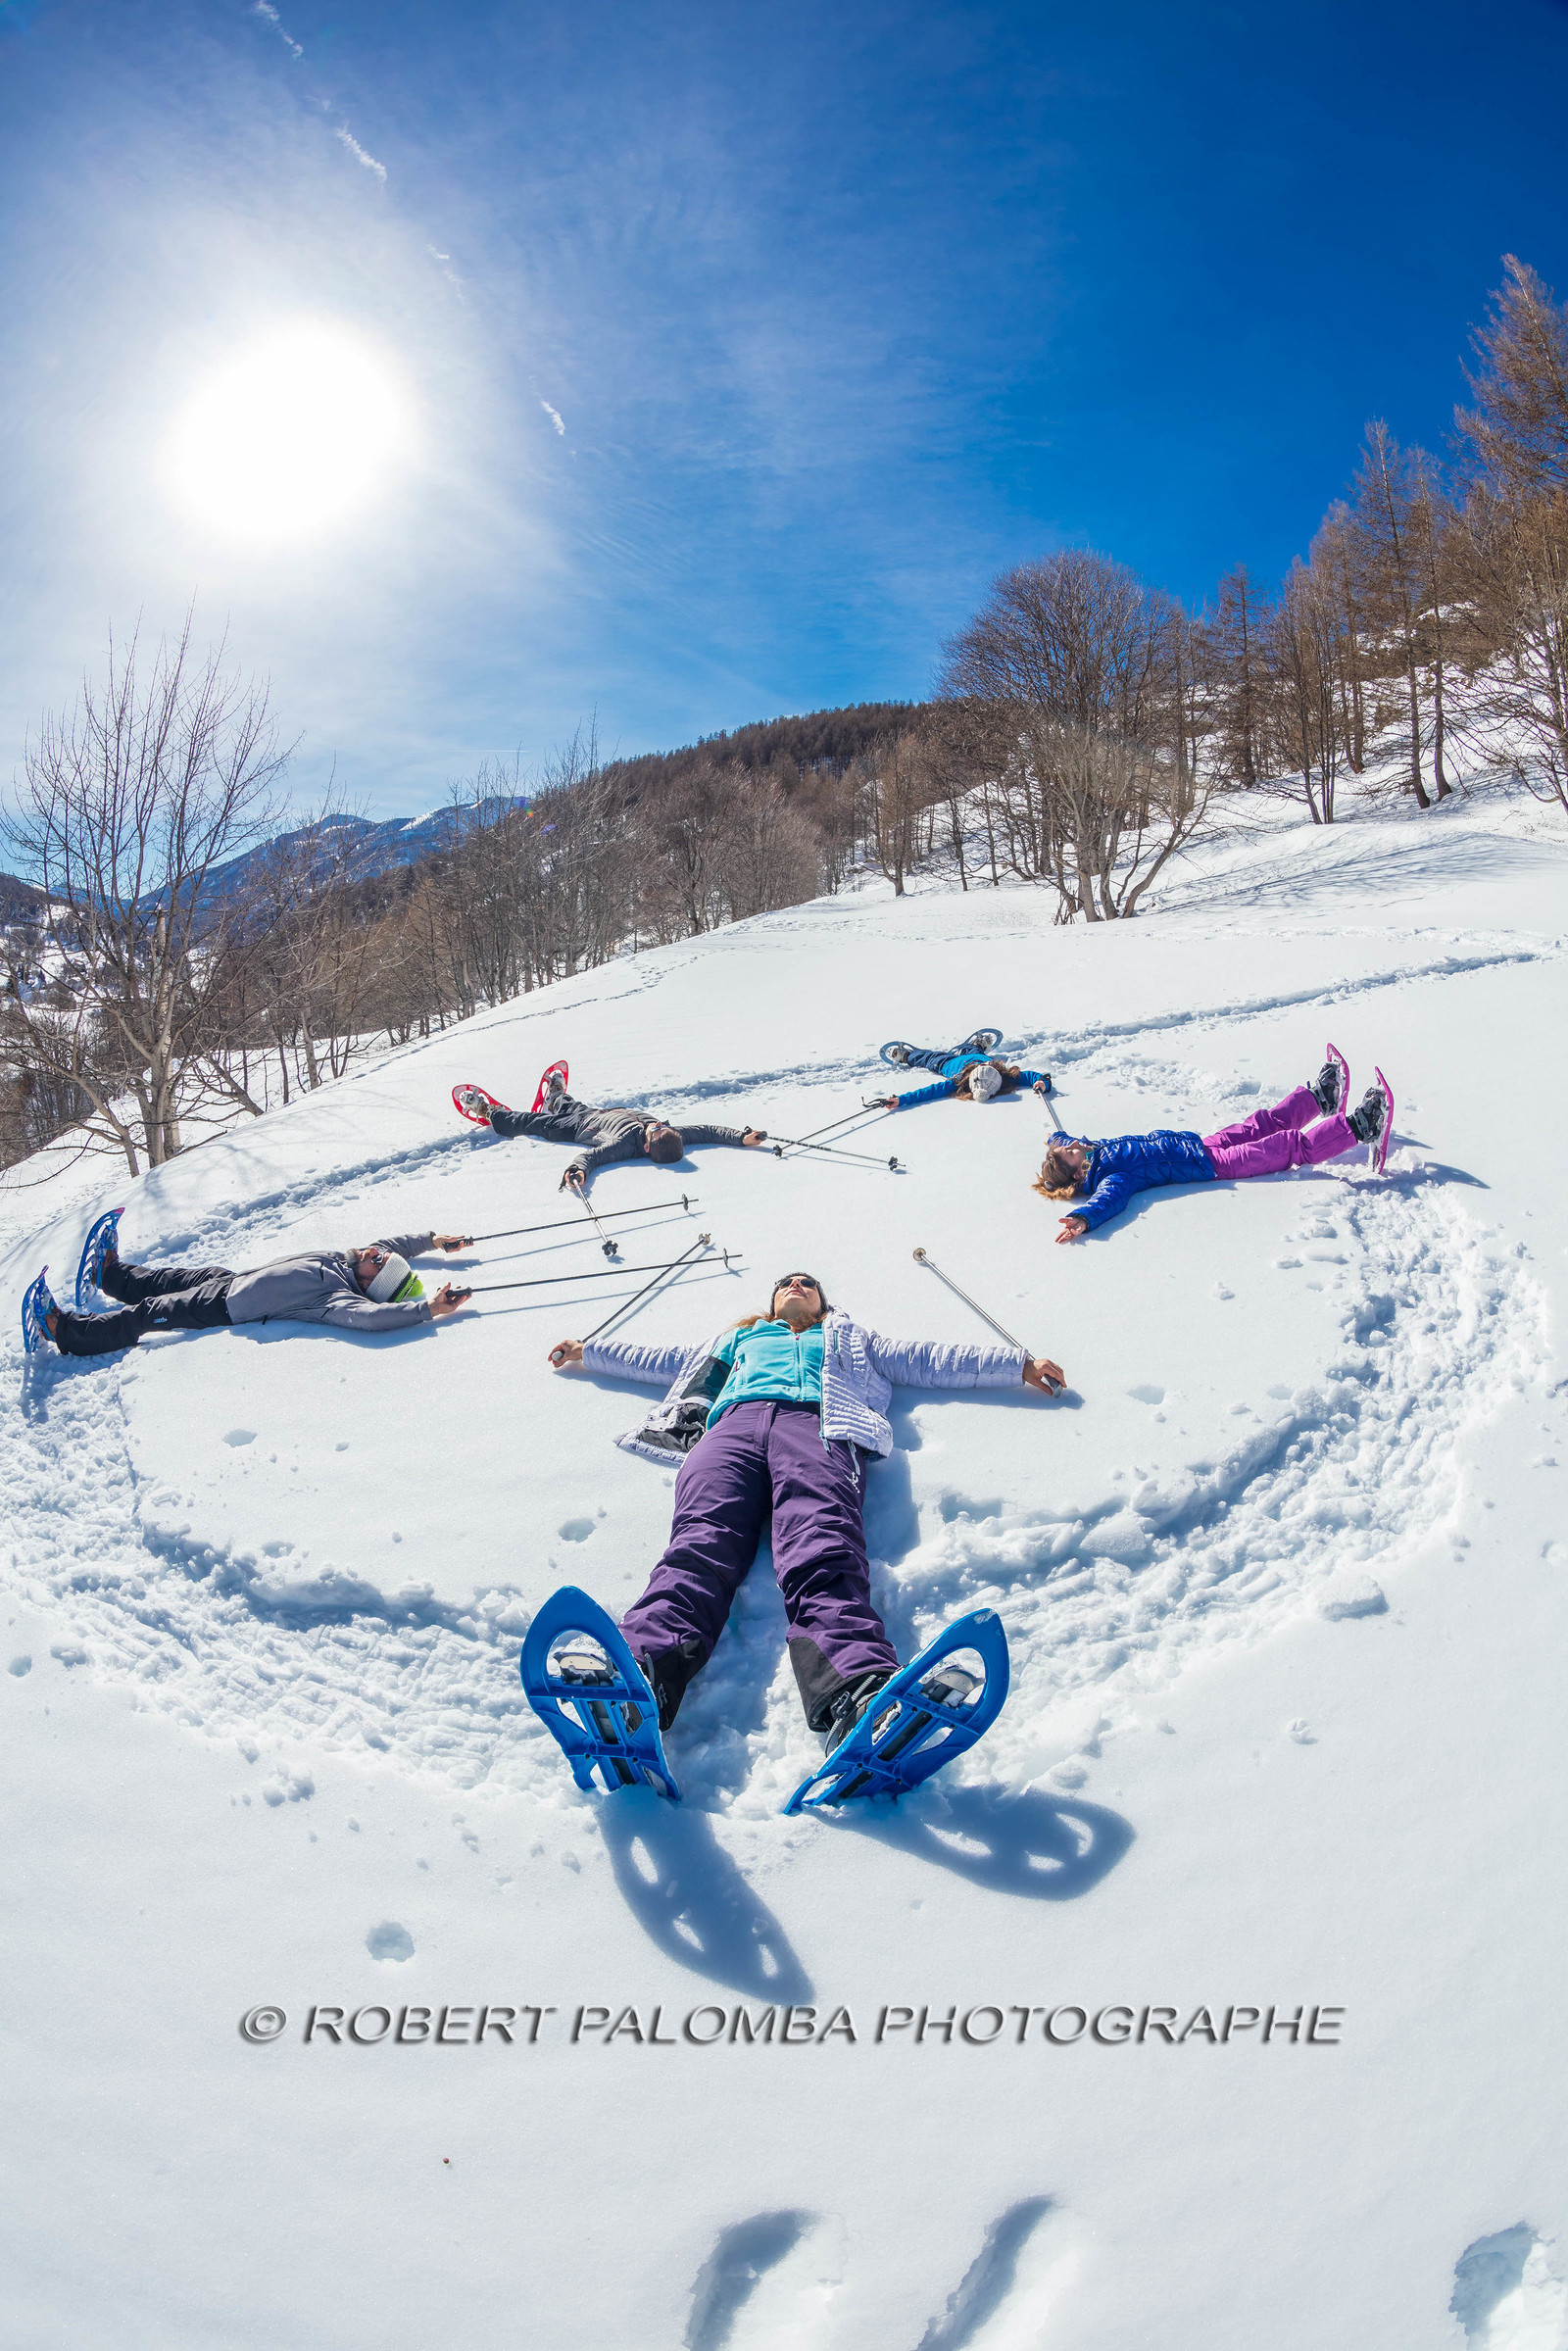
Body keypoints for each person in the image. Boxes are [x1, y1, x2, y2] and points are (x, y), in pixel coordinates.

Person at [546, 1271, 1066, 1751]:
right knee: (698, 1545)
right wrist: (586, 1351)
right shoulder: (737, 1339)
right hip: (730, 1431)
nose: (796, 1285)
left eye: (808, 1283)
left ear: (822, 1301)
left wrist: (1017, 1364)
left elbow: (927, 1357)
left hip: (818, 1429)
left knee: (823, 1546)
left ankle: (857, 1691)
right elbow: (656, 1360)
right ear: (772, 1302)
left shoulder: (853, 1339)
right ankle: (638, 1676)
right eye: (787, 1282)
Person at [1038, 1058, 1389, 1243]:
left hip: (1200, 1145)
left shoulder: (1094, 1150)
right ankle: (1361, 1126)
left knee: (1263, 1123)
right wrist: (1084, 1219)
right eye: (1069, 1153)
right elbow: (1108, 1201)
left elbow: (1060, 1137)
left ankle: (1318, 1098)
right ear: (1078, 1171)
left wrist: (1054, 1138)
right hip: (1213, 1166)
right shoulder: (1112, 1177)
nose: (1072, 1145)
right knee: (1288, 1146)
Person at [35, 1223, 472, 1356]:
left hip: (226, 1307)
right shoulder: (346, 1261)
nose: (376, 1252)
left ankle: (65, 1331)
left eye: (378, 1263)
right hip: (233, 1280)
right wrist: (434, 1240)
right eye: (378, 1254)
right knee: (170, 1278)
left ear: (370, 1283)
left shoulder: (336, 1299)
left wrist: (427, 1310)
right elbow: (395, 1246)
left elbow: (372, 1320)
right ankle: (111, 1277)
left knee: (149, 1312)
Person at [454, 1073, 767, 1192]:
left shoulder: (622, 1146)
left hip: (578, 1129)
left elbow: (591, 1156)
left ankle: (489, 1112)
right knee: (569, 1103)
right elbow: (709, 1130)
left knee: (531, 1123)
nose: (656, 1125)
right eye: (660, 1125)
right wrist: (741, 1137)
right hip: (596, 1114)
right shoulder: (671, 1135)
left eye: (655, 1131)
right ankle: (554, 1096)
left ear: (645, 1148)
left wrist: (577, 1171)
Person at [875, 1045, 1052, 1111]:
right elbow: (1030, 1076)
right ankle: (974, 1046)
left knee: (928, 1058)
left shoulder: (958, 1080)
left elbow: (930, 1092)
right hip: (976, 1054)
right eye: (987, 1067)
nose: (987, 1065)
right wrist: (1042, 1082)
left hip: (946, 1063)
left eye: (985, 1067)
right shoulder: (1006, 1077)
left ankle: (907, 1056)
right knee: (975, 1051)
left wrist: (902, 1099)